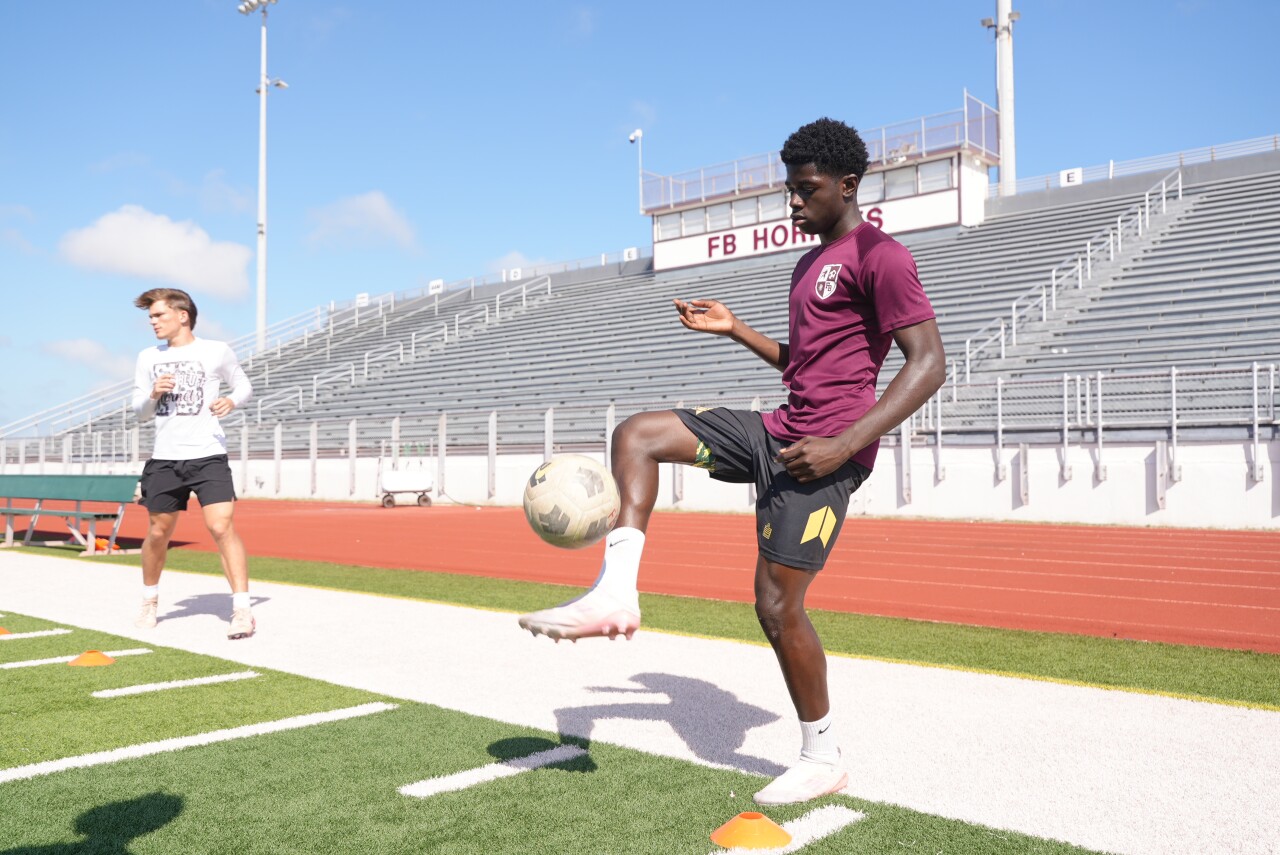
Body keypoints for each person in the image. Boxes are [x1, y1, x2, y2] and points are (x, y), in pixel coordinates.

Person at [519, 118, 946, 805]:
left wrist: (843, 445)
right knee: (637, 435)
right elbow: (805, 364)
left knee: (776, 606)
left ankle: (823, 755)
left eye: (806, 190)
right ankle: (616, 591)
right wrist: (736, 329)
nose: (793, 202)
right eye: (789, 189)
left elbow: (927, 365)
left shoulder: (882, 256)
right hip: (780, 429)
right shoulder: (807, 266)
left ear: (848, 185)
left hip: (824, 456)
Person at [130, 287, 256, 640]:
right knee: (159, 533)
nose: (153, 322)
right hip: (165, 459)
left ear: (182, 315)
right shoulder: (147, 357)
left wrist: (231, 401)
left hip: (208, 455)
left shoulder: (216, 350)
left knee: (221, 526)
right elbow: (140, 412)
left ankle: (242, 610)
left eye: (159, 315)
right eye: (151, 317)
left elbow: (244, 386)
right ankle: (149, 601)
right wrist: (153, 394)